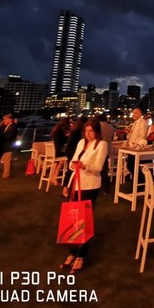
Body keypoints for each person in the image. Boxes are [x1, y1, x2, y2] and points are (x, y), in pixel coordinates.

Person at [59, 118, 108, 275]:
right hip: (76, 183)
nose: (88, 134)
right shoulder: (81, 143)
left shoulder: (101, 145)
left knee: (83, 219)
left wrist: (85, 166)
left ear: (96, 131)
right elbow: (73, 160)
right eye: (86, 131)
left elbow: (98, 167)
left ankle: (81, 255)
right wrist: (67, 183)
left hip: (89, 185)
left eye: (91, 131)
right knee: (72, 219)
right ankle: (72, 251)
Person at [62, 116, 86, 198]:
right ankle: (66, 189)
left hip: (70, 151)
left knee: (70, 171)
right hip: (73, 152)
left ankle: (66, 189)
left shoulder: (75, 130)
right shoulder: (78, 132)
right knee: (70, 171)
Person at [0, 113, 18, 179]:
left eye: (5, 119)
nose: (4, 121)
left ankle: (6, 174)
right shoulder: (8, 126)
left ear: (10, 120)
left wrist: (0, 134)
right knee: (7, 160)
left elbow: (9, 136)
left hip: (9, 146)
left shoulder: (12, 127)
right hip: (7, 146)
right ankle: (7, 173)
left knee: (7, 160)